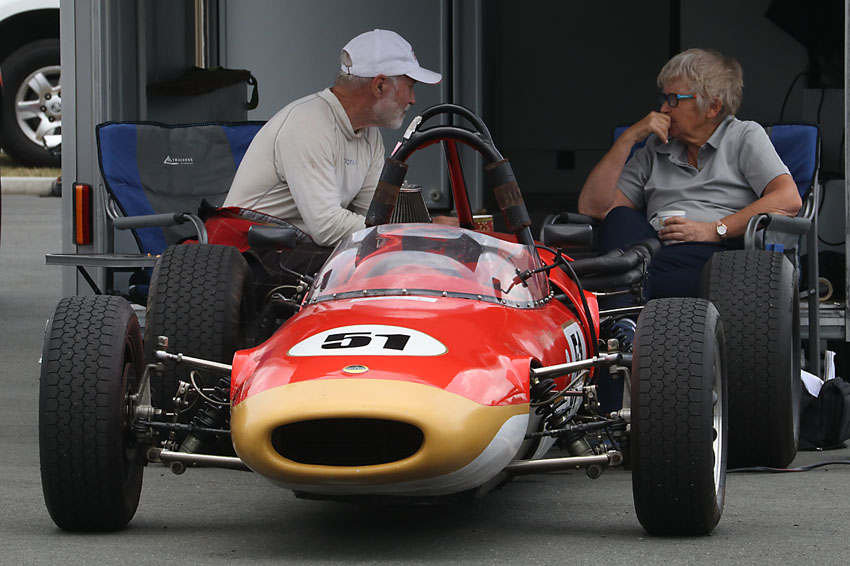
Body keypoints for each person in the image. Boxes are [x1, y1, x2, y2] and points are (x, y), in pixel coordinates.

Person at [577, 48, 801, 301]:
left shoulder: (744, 136)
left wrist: (713, 230)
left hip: (717, 255)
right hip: (655, 251)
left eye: (673, 99)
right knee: (620, 218)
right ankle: (625, 304)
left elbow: (788, 199)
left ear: (712, 106)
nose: (663, 108)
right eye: (663, 98)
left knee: (625, 276)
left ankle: (620, 307)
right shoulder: (656, 147)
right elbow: (595, 208)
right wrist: (629, 138)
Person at [223, 29, 442, 248]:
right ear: (380, 85)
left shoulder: (369, 134)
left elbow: (374, 217)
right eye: (410, 86)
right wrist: (417, 232)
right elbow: (328, 228)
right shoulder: (308, 124)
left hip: (291, 251)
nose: (413, 99)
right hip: (246, 254)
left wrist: (426, 227)